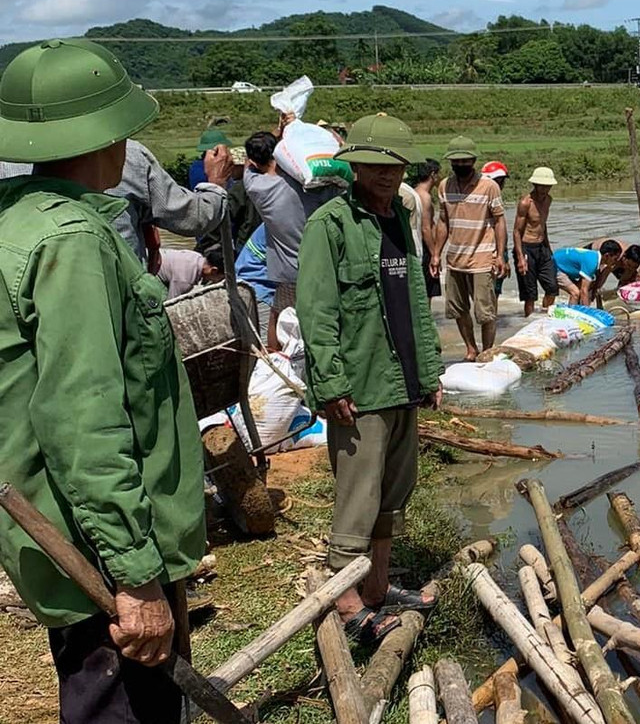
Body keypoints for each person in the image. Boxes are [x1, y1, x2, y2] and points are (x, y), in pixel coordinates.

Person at [0, 38, 206, 723]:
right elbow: (84, 422)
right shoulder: (72, 243)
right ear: (111, 136)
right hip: (102, 556)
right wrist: (136, 577)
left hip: (70, 535)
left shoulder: (17, 221)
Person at [297, 114, 444, 644]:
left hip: (402, 380)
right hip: (360, 387)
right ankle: (346, 602)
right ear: (354, 166)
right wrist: (331, 384)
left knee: (393, 493)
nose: (385, 174)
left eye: (394, 166)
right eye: (373, 165)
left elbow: (416, 306)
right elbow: (316, 312)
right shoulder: (330, 225)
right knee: (358, 497)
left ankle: (377, 586)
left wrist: (430, 370)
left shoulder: (400, 218)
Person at [242, 129, 338, 351]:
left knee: (278, 315)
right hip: (324, 266)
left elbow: (248, 168)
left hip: (289, 272)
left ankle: (276, 360)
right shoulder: (309, 182)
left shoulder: (257, 188)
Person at [110, 138, 231, 272]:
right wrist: (216, 182)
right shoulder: (128, 153)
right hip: (123, 277)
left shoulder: (194, 167)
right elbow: (193, 218)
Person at [436, 136, 507, 360]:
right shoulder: (444, 186)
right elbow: (443, 221)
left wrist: (501, 256)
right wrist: (436, 254)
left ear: (473, 161)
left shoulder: (489, 187)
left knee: (485, 312)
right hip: (455, 258)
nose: (460, 165)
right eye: (456, 162)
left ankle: (487, 351)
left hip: (482, 258)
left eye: (464, 161)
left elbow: (499, 221)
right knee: (457, 309)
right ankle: (471, 348)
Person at [513, 167, 559, 317]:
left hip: (542, 247)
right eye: (542, 186)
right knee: (530, 294)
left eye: (548, 186)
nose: (545, 189)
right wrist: (520, 258)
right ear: (535, 185)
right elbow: (516, 231)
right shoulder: (526, 203)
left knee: (552, 287)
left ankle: (546, 317)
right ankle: (528, 321)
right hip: (526, 247)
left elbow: (542, 225)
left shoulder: (548, 200)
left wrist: (548, 248)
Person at [411, 159, 443, 300]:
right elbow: (425, 228)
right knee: (427, 292)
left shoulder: (414, 192)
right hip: (424, 248)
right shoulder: (425, 197)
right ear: (433, 174)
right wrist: (434, 254)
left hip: (417, 246)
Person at [554, 240, 621, 305]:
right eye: (615, 259)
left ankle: (576, 307)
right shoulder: (592, 263)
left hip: (561, 263)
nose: (616, 261)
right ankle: (571, 311)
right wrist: (588, 310)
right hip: (555, 266)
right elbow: (584, 290)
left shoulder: (594, 257)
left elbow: (592, 287)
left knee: (587, 286)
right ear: (607, 256)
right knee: (575, 293)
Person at [482, 161, 510, 299]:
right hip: (488, 252)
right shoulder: (485, 200)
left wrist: (504, 257)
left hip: (496, 251)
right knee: (488, 292)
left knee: (494, 291)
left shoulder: (495, 199)